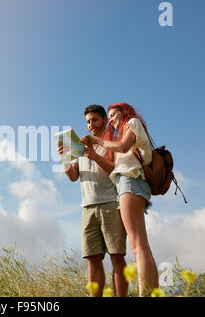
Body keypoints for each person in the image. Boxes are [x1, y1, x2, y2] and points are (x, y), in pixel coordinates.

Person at [82, 102, 159, 296]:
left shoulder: (132, 123)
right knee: (142, 246)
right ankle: (151, 292)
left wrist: (97, 142)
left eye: (114, 116)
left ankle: (146, 294)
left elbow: (123, 147)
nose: (113, 121)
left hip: (131, 183)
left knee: (137, 246)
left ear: (124, 113)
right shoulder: (127, 130)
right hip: (133, 183)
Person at [57, 104, 128, 297]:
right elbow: (73, 176)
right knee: (92, 259)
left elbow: (114, 170)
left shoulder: (112, 143)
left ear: (105, 120)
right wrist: (64, 158)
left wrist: (94, 155)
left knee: (117, 257)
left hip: (111, 205)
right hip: (87, 208)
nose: (91, 124)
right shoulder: (79, 148)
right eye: (88, 121)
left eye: (95, 120)